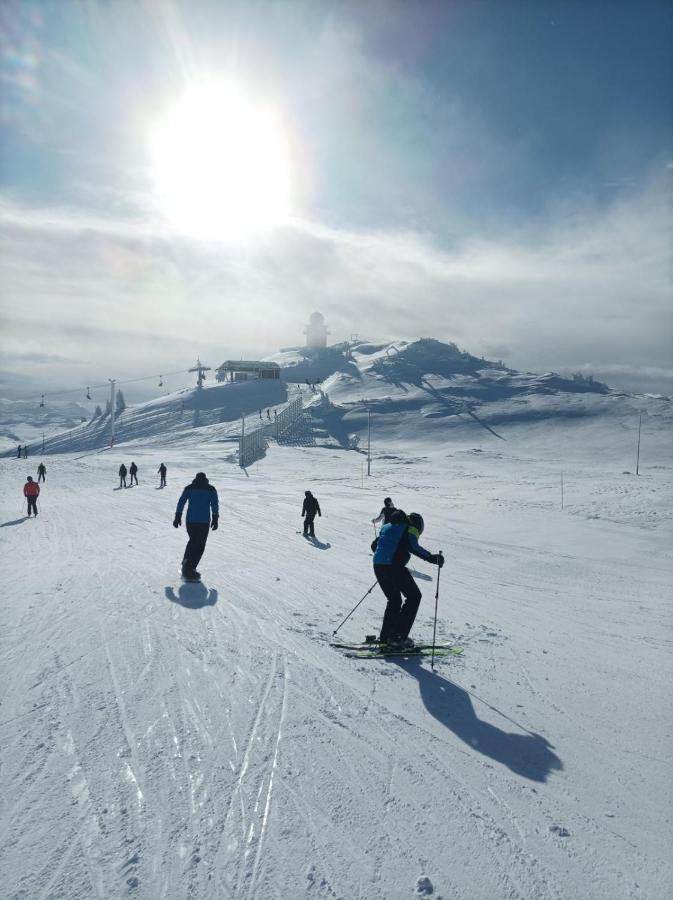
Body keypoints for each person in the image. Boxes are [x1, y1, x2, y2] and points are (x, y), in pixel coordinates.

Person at [370, 510, 444, 648]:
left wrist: (386, 556)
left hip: (378, 566)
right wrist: (433, 558)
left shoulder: (388, 526)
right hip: (392, 566)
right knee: (414, 596)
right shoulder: (411, 527)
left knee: (394, 600)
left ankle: (386, 637)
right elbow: (413, 546)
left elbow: (374, 546)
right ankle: (397, 637)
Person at [173, 472, 219, 579]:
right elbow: (214, 504)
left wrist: (177, 516)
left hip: (191, 521)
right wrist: (215, 518)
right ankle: (190, 567)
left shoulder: (189, 488)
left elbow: (181, 502)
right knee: (200, 544)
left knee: (193, 541)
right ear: (205, 479)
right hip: (203, 521)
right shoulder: (211, 489)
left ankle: (187, 562)